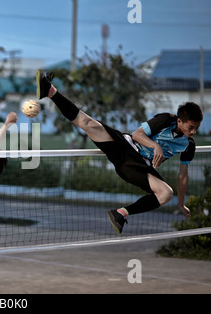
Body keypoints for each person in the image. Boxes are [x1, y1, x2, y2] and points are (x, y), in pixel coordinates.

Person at [35, 70, 203, 234]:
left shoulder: (189, 145)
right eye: (191, 127)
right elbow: (138, 134)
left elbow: (182, 176)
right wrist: (156, 146)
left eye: (197, 127)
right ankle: (50, 91)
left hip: (138, 166)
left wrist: (181, 204)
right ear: (180, 121)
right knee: (88, 123)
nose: (194, 131)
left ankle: (120, 214)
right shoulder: (166, 119)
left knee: (166, 193)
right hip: (125, 145)